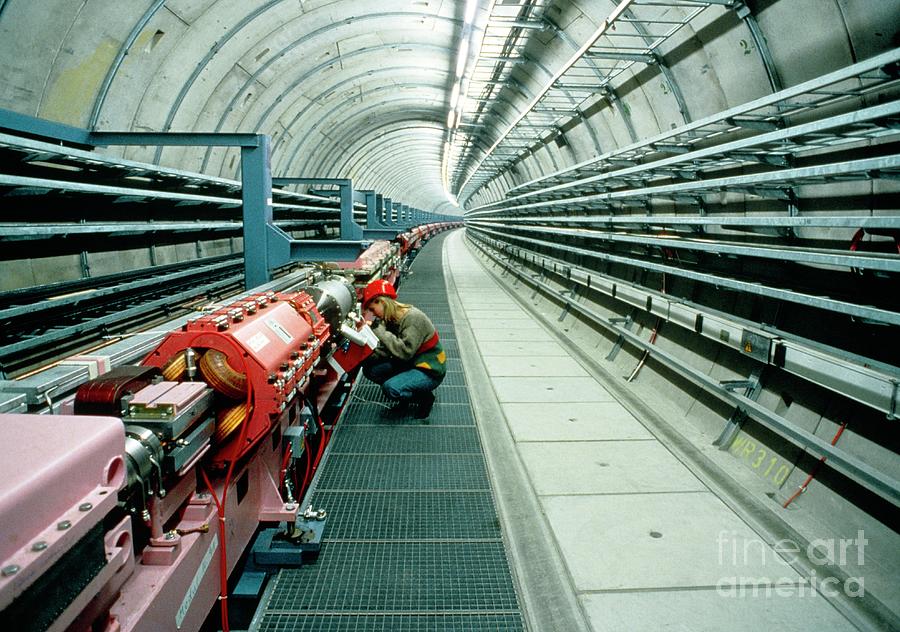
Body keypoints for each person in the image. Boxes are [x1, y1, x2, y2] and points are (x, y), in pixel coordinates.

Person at [361, 278, 446, 418]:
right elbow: (388, 348)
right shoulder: (390, 318)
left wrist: (380, 332)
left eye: (372, 309)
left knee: (390, 388)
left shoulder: (413, 318)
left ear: (381, 301)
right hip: (412, 363)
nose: (373, 313)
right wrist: (368, 355)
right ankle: (405, 392)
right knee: (371, 371)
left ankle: (424, 397)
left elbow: (404, 352)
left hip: (429, 370)